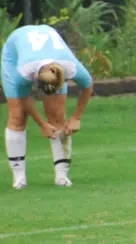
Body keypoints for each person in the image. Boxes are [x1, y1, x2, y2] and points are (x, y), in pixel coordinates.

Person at [2, 24, 94, 189]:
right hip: (14, 54)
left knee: (58, 114)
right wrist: (42, 124)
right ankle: (19, 178)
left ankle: (62, 176)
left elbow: (87, 85)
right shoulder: (24, 71)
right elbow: (24, 97)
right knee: (18, 115)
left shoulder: (69, 67)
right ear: (35, 77)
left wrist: (76, 118)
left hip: (51, 56)